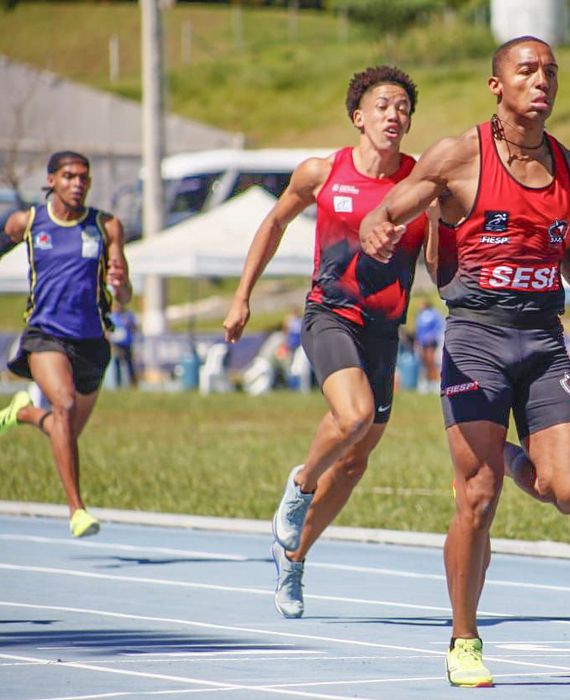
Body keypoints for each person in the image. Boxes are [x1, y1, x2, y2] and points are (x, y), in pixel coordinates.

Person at [358, 36, 570, 688]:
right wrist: (379, 226)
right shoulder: (461, 155)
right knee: (476, 501)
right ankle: (464, 639)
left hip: (541, 341)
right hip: (476, 335)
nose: (541, 81)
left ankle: (510, 455)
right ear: (496, 85)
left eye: (550, 72)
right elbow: (390, 207)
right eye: (527, 70)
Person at [222, 65, 436, 620]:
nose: (395, 115)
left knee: (356, 461)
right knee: (353, 415)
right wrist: (243, 296)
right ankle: (299, 483)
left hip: (386, 330)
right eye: (384, 106)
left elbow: (439, 260)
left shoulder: (420, 185)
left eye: (403, 108)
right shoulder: (322, 172)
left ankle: (292, 555)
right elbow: (273, 223)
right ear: (358, 117)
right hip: (330, 314)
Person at [0, 150, 132, 537]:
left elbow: (125, 292)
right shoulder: (30, 221)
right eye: (69, 176)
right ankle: (77, 510)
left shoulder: (106, 226)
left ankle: (25, 412)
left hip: (93, 342)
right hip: (45, 335)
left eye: (84, 177)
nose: (78, 183)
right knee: (63, 406)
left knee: (64, 431)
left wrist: (120, 285)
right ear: (51, 180)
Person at [413, 298, 443, 393]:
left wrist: (432, 336)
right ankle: (425, 382)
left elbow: (439, 326)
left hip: (431, 342)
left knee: (431, 361)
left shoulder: (433, 314)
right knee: (424, 362)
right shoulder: (420, 315)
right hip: (422, 342)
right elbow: (418, 329)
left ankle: (435, 382)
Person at [109, 300, 138, 388]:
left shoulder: (128, 316)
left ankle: (133, 383)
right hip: (117, 344)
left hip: (127, 343)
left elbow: (134, 328)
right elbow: (108, 330)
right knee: (117, 363)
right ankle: (118, 384)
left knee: (129, 364)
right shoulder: (112, 317)